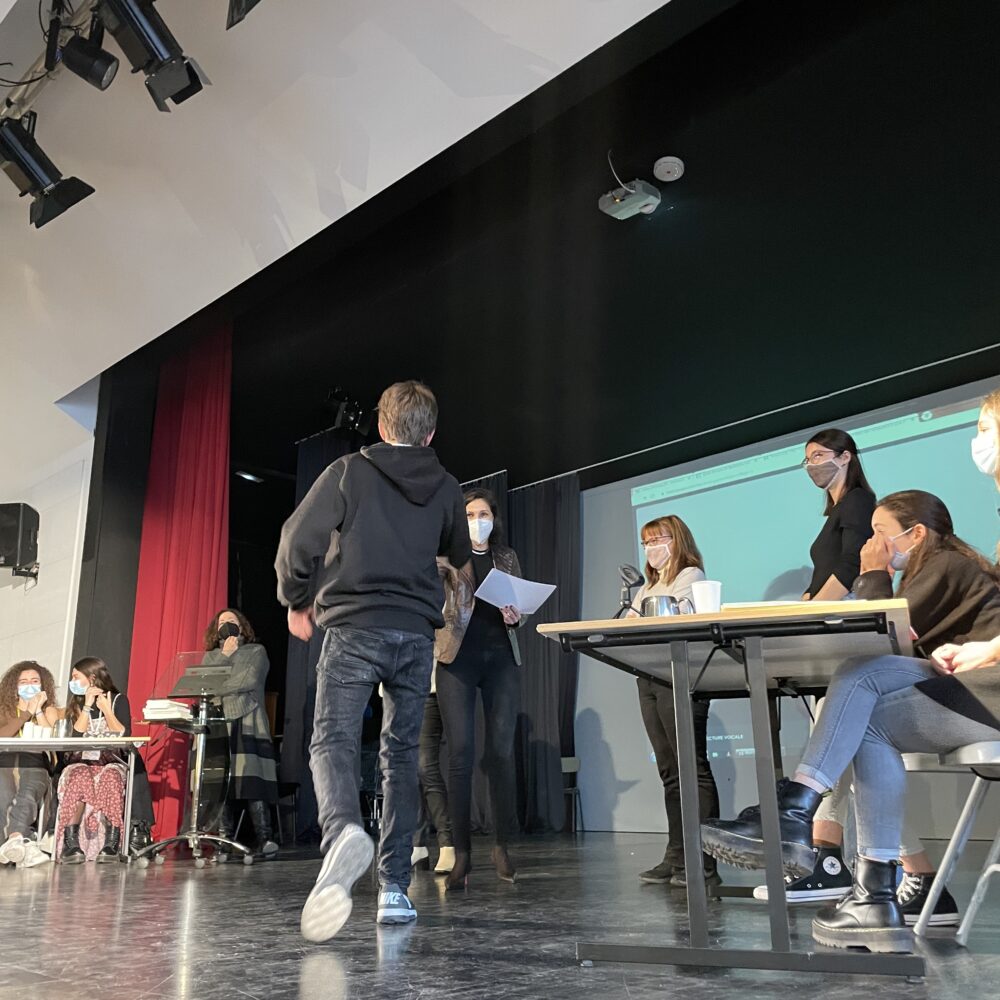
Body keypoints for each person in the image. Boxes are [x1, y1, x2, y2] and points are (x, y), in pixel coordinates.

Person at [701, 444, 1000, 953]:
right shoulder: (933, 570)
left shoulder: (945, 565)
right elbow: (895, 650)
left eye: (881, 533)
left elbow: (878, 630)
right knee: (858, 686)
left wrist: (874, 572)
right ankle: (862, 881)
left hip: (986, 699)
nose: (873, 543)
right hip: (971, 693)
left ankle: (815, 830)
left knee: (860, 700)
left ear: (916, 534)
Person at [275, 380, 471, 942]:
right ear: (430, 434)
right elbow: (459, 554)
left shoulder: (350, 470)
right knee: (401, 756)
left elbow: (297, 539)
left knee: (333, 739)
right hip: (415, 637)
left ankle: (342, 832)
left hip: (354, 627)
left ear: (382, 426)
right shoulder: (447, 486)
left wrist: (296, 597)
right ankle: (393, 889)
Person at [780, 428, 877, 902]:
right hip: (829, 627)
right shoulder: (835, 510)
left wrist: (814, 610)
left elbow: (851, 566)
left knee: (834, 747)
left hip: (843, 630)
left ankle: (831, 860)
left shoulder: (858, 501)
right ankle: (828, 859)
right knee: (834, 749)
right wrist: (807, 600)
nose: (812, 465)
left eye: (819, 455)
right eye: (807, 460)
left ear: (845, 457)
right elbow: (828, 568)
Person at [435, 488, 524, 889]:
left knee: (501, 754)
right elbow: (438, 604)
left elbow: (519, 607)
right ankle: (462, 854)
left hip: (501, 658)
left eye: (483, 514)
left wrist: (516, 614)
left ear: (494, 518)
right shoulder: (445, 558)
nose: (477, 521)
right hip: (457, 660)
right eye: (470, 515)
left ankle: (502, 845)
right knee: (460, 754)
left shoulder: (506, 557)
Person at [626, 515, 720, 888]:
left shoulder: (690, 576)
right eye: (646, 542)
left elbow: (678, 618)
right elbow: (630, 623)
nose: (651, 548)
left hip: (681, 675)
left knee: (690, 768)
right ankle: (677, 855)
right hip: (649, 676)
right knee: (669, 772)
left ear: (676, 540)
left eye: (657, 540)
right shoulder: (648, 586)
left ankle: (703, 862)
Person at [202, 608, 280, 860]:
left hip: (249, 720)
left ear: (242, 626)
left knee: (252, 780)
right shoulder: (211, 657)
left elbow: (249, 681)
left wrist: (219, 685)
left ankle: (265, 838)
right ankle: (223, 841)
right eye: (221, 622)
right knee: (221, 784)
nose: (226, 624)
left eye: (231, 620)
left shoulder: (256, 651)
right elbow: (204, 684)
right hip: (218, 722)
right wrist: (225, 656)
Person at [56, 657, 133, 863]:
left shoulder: (118, 700)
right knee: (80, 774)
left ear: (91, 678)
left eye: (76, 677)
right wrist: (87, 706)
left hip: (110, 762)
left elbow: (123, 736)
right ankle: (71, 843)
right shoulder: (76, 705)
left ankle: (111, 842)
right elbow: (75, 740)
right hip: (81, 762)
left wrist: (106, 709)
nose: (72, 681)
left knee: (111, 777)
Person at [0, 660, 59, 868]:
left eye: (34, 681)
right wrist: (25, 713)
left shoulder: (50, 710)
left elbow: (53, 742)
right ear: (14, 687)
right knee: (4, 791)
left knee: (29, 788)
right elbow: (3, 736)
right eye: (23, 682)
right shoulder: (5, 710)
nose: (29, 686)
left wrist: (38, 711)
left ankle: (16, 838)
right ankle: (20, 843)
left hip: (35, 762)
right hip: (5, 762)